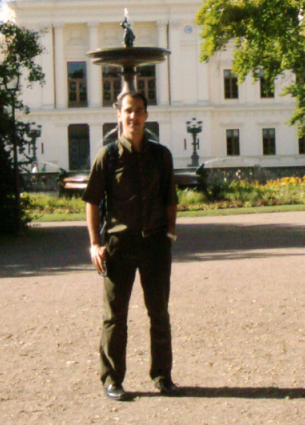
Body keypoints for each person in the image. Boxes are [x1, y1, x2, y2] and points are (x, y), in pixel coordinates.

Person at [82, 91, 179, 401]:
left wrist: (170, 235)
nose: (133, 116)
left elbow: (170, 199)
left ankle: (163, 376)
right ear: (119, 115)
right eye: (128, 111)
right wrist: (95, 244)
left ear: (146, 115)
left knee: (159, 313)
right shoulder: (108, 156)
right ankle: (112, 379)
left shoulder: (161, 156)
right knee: (114, 316)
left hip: (154, 245)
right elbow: (92, 201)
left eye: (139, 111)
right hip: (118, 246)